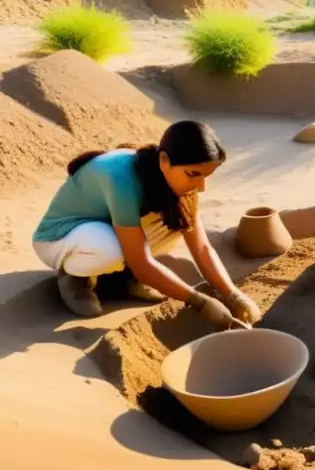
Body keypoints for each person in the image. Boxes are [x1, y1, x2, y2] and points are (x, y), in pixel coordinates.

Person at [32, 120, 258, 330]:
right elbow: (141, 261)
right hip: (60, 239)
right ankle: (75, 278)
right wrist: (198, 301)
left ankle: (121, 280)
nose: (201, 187)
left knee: (178, 219)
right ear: (164, 161)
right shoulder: (121, 178)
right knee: (110, 249)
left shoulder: (172, 179)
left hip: (104, 228)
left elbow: (201, 248)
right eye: (193, 174)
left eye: (205, 177)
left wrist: (232, 294)